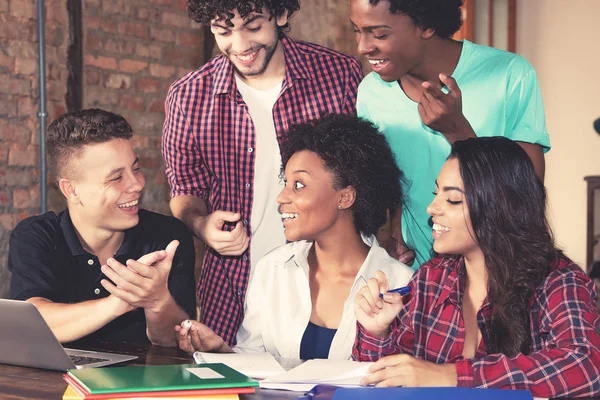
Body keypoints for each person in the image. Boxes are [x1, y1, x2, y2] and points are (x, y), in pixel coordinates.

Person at [162, 0, 363, 345]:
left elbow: (367, 171)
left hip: (328, 288)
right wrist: (200, 224)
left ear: (281, 15)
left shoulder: (339, 75)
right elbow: (184, 189)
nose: (239, 46)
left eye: (253, 27)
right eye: (223, 31)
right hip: (230, 292)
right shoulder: (189, 95)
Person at [353, 137, 600, 398]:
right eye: (437, 194)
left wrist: (450, 376)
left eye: (453, 200)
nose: (432, 208)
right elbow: (384, 382)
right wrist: (378, 333)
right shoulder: (430, 280)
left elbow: (586, 366)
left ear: (500, 207)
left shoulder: (559, 281)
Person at [176, 114, 414, 360]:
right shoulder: (272, 269)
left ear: (345, 197)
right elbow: (253, 360)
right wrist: (221, 352)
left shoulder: (401, 284)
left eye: (299, 185)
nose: (281, 197)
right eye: (285, 182)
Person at [349, 0, 550, 267]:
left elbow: (528, 194)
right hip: (417, 275)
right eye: (357, 30)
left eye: (380, 34)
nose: (363, 47)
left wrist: (457, 131)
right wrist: (385, 238)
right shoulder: (371, 93)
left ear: (427, 25)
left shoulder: (509, 74)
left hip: (496, 268)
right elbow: (388, 183)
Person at [8, 109, 196, 346]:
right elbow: (30, 324)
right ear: (71, 190)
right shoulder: (38, 235)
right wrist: (115, 304)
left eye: (135, 169)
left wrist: (157, 301)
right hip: (55, 382)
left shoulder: (167, 236)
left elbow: (173, 340)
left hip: (141, 382)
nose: (137, 184)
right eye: (116, 178)